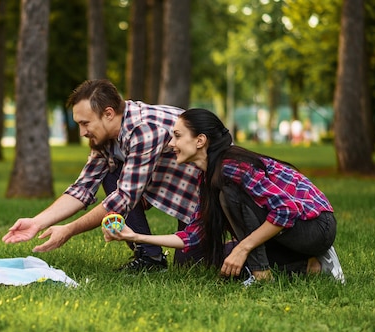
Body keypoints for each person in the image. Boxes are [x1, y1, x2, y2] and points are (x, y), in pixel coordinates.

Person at [103, 108, 345, 283]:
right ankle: (314, 265)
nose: (171, 142)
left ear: (200, 141)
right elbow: (193, 235)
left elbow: (286, 210)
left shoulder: (230, 167)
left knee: (230, 198)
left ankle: (261, 274)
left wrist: (244, 248)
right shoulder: (206, 176)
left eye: (177, 136)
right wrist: (137, 237)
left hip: (316, 227)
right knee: (220, 261)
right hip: (288, 232)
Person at [2, 79, 203, 272]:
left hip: (205, 198)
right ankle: (149, 257)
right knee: (111, 173)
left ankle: (233, 245)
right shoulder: (106, 138)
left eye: (85, 123)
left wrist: (69, 230)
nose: (82, 132)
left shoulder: (144, 128)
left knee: (197, 267)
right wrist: (37, 222)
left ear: (108, 113)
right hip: (178, 193)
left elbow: (124, 198)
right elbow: (82, 189)